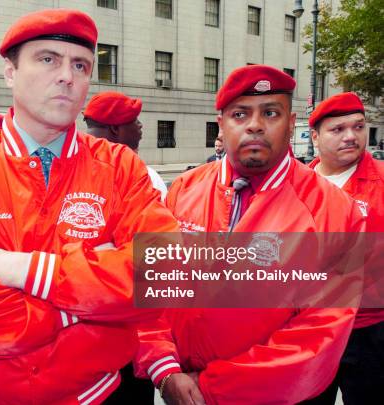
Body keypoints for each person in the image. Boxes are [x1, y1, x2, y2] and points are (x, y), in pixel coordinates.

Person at [0, 9, 177, 405]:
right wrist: (88, 304)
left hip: (97, 395)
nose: (67, 76)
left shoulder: (120, 166)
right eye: (47, 59)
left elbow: (162, 274)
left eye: (80, 65)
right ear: (10, 72)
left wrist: (25, 271)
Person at [135, 65, 366, 405]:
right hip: (183, 386)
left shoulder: (336, 211)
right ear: (221, 124)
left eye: (270, 112)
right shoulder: (184, 189)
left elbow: (320, 334)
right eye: (240, 114)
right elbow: (151, 286)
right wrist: (163, 367)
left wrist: (212, 386)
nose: (255, 125)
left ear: (291, 124)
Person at [305, 92, 384, 405]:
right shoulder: (295, 184)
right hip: (308, 331)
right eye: (338, 130)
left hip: (369, 332)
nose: (351, 136)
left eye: (359, 127)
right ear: (315, 136)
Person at [84, 91, 167, 199]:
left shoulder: (69, 168)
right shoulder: (144, 177)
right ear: (115, 129)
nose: (140, 125)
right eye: (134, 120)